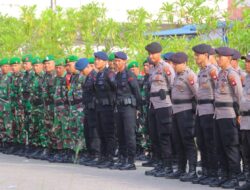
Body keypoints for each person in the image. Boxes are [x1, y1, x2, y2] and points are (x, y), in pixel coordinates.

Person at [209, 47, 242, 189]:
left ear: (228, 58)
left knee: (230, 146)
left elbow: (239, 96)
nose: (218, 59)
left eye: (221, 57)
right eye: (217, 57)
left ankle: (234, 177)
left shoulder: (231, 74)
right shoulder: (221, 73)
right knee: (220, 146)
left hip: (228, 115)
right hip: (218, 114)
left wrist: (239, 114)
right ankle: (225, 175)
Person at [144, 42, 175, 177]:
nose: (151, 56)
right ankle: (160, 164)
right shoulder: (153, 68)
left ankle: (167, 165)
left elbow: (172, 85)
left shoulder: (166, 67)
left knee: (164, 136)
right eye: (149, 54)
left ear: (159, 53)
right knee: (155, 135)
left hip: (164, 105)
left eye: (153, 54)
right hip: (153, 105)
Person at [166, 52, 198, 182]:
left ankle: (192, 170)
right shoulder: (177, 76)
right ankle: (181, 168)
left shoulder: (189, 75)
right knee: (178, 141)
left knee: (188, 141)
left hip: (186, 111)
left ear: (184, 63)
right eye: (173, 64)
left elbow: (197, 94)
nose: (174, 66)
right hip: (176, 111)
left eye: (177, 64)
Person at [192, 44, 219, 185]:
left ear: (206, 55)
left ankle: (214, 173)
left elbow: (218, 90)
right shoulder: (200, 71)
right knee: (201, 142)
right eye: (195, 55)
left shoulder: (212, 71)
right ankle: (206, 170)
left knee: (210, 142)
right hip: (200, 110)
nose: (196, 57)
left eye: (198, 55)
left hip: (209, 110)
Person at [112, 52, 141, 170]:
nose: (116, 63)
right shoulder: (117, 75)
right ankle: (122, 158)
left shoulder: (130, 74)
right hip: (119, 108)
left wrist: (138, 109)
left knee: (129, 134)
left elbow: (137, 92)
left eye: (119, 61)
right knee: (120, 134)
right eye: (115, 61)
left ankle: (131, 161)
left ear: (124, 61)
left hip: (129, 108)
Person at [87, 51, 116, 167]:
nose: (96, 62)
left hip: (108, 108)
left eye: (99, 60)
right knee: (101, 133)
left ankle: (110, 157)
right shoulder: (98, 74)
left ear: (105, 61)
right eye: (96, 59)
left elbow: (116, 89)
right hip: (99, 107)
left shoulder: (110, 74)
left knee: (109, 133)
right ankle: (103, 156)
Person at [75, 58, 101, 165]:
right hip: (88, 108)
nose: (81, 72)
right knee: (88, 131)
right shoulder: (88, 77)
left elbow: (98, 93)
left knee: (94, 132)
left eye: (82, 70)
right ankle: (91, 153)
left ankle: (96, 154)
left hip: (94, 108)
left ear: (88, 67)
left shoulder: (95, 76)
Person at [65, 55, 85, 163]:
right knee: (73, 131)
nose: (68, 67)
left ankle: (82, 153)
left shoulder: (82, 76)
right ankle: (73, 153)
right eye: (67, 65)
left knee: (80, 131)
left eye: (70, 64)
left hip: (80, 108)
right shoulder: (72, 77)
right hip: (73, 108)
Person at [49, 58, 68, 163]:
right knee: (56, 130)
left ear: (65, 68)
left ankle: (66, 151)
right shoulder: (56, 79)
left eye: (60, 67)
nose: (58, 69)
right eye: (57, 67)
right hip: (56, 108)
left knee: (65, 130)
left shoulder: (67, 78)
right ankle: (59, 150)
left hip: (65, 108)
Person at [236, 53, 250, 190]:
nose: (246, 64)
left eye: (249, 62)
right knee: (246, 151)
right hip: (245, 120)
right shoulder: (246, 78)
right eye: (246, 62)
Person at [40, 55, 56, 160]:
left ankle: (55, 150)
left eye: (49, 63)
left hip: (54, 107)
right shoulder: (44, 76)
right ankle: (47, 148)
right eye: (45, 64)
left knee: (55, 128)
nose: (46, 66)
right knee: (46, 128)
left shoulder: (56, 76)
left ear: (53, 64)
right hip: (46, 106)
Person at [21, 54, 35, 157]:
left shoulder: (35, 75)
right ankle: (28, 144)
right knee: (25, 125)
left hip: (32, 103)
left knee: (32, 125)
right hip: (25, 103)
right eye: (24, 63)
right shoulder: (24, 75)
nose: (24, 65)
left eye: (26, 63)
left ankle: (33, 146)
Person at [0, 58, 12, 152]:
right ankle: (2, 142)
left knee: (8, 124)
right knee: (1, 124)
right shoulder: (1, 77)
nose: (5, 68)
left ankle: (8, 143)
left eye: (7, 66)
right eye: (3, 66)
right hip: (1, 105)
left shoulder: (11, 77)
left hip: (7, 104)